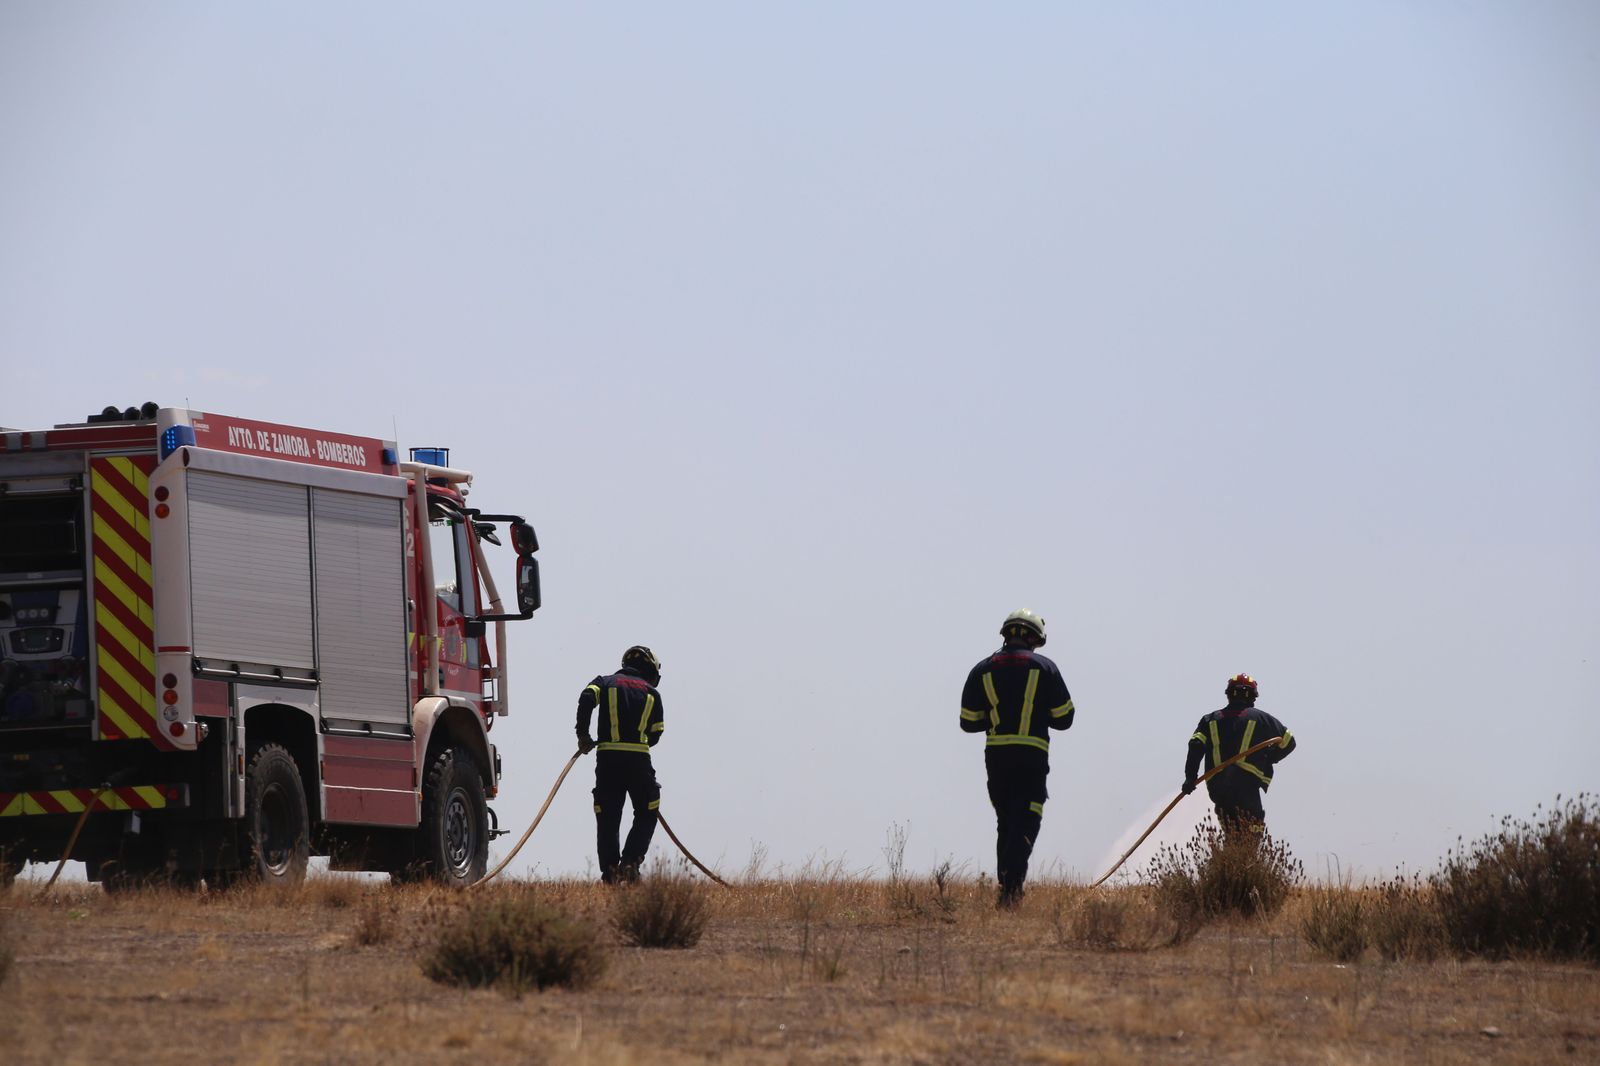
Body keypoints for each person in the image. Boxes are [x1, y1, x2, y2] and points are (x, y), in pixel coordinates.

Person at [960, 609, 1075, 909]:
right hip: (1032, 757)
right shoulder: (1045, 668)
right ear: (1034, 638)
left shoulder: (981, 670)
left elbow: (968, 722)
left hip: (997, 757)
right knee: (1027, 819)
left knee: (1006, 820)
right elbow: (1065, 718)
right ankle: (1011, 890)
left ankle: (1007, 886)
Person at [576, 645, 665, 883]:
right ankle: (630, 865)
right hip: (639, 761)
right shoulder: (652, 694)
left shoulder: (604, 682)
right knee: (647, 811)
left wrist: (583, 735)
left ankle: (610, 873)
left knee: (608, 817)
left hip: (607, 760)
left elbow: (586, 697)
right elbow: (655, 735)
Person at [1182, 673, 1296, 842]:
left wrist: (1190, 778)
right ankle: (1243, 864)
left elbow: (1196, 745)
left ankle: (1228, 864)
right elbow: (1289, 742)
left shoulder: (1210, 720)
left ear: (1228, 695)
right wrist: (1269, 757)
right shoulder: (1262, 719)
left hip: (1217, 785)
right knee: (1253, 828)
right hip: (1246, 783)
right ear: (1253, 697)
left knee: (1231, 830)